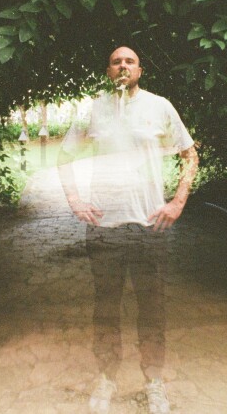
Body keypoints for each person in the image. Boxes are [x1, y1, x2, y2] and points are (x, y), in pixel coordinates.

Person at [58, 46, 199, 414]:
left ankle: (154, 382)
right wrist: (75, 200)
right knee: (105, 306)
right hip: (104, 227)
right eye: (117, 61)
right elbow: (64, 157)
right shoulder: (94, 108)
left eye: (130, 61)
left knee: (152, 307)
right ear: (108, 70)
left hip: (148, 225)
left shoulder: (160, 106)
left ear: (140, 70)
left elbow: (190, 154)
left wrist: (178, 201)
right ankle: (106, 378)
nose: (123, 66)